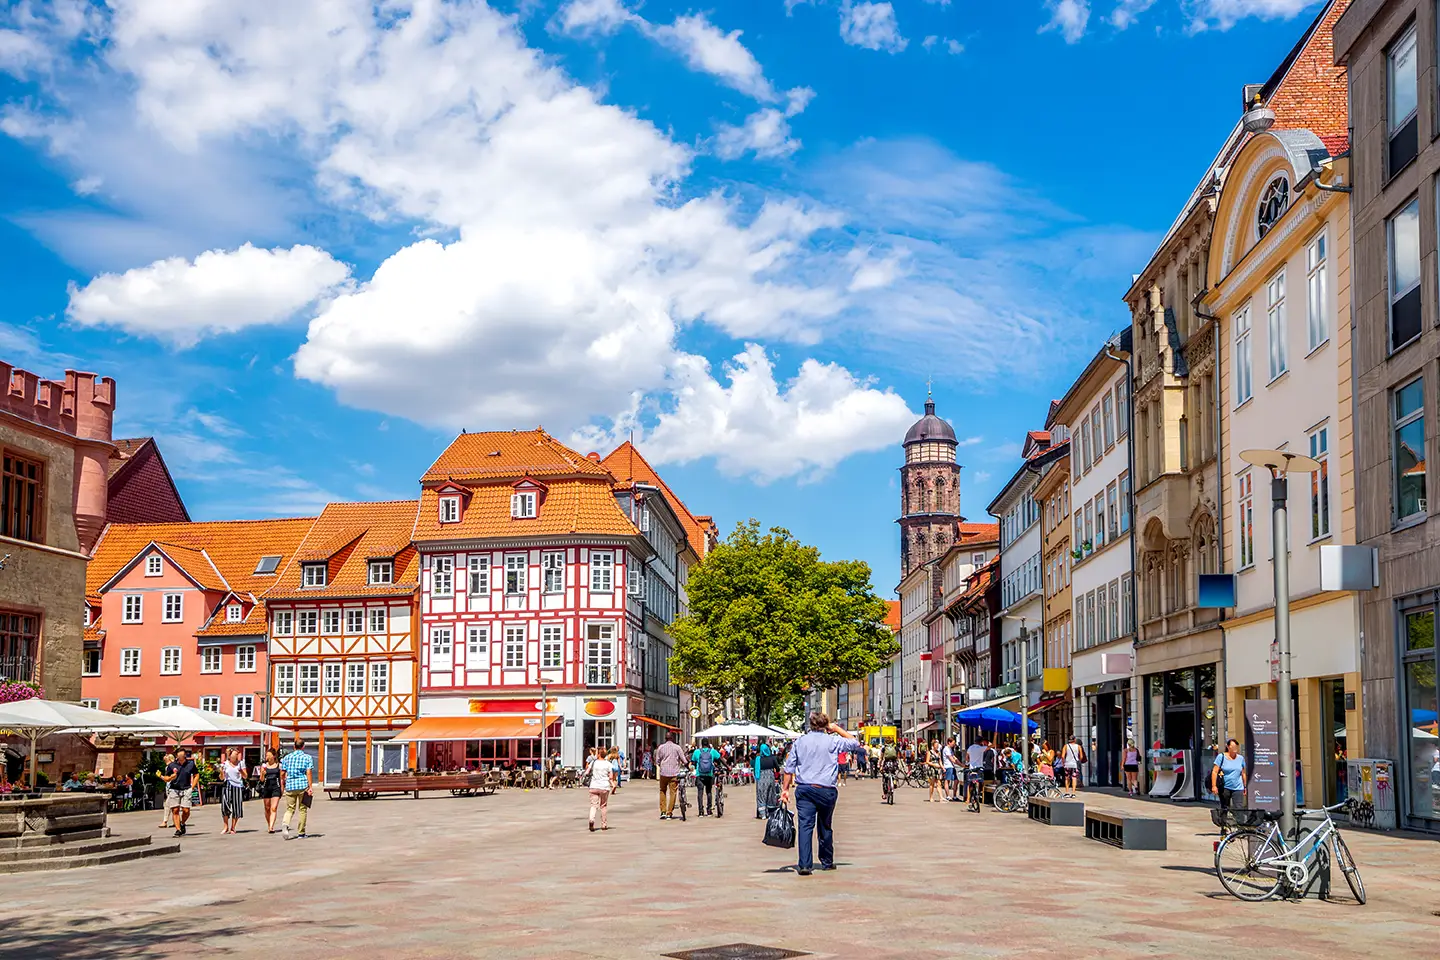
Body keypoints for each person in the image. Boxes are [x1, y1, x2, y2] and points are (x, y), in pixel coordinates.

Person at [780, 712, 863, 876]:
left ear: (810, 725)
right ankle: (826, 861)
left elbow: (789, 768)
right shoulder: (833, 740)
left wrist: (785, 790)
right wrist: (836, 728)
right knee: (825, 825)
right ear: (826, 725)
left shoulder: (800, 742)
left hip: (805, 789)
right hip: (826, 790)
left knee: (805, 826)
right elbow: (855, 743)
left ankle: (804, 864)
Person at [279, 738, 315, 840]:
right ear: (303, 746)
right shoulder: (307, 757)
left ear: (294, 746)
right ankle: (301, 833)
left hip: (290, 786)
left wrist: (284, 780)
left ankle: (285, 824)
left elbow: (282, 773)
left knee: (290, 809)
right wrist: (310, 786)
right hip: (302, 785)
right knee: (302, 809)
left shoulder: (287, 758)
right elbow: (308, 772)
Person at [165, 749, 199, 837]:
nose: (180, 758)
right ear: (176, 756)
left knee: (186, 810)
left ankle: (182, 823)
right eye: (179, 756)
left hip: (186, 788)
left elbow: (196, 774)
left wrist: (192, 786)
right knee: (175, 810)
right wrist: (171, 777)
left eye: (182, 756)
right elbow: (167, 777)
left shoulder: (190, 764)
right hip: (174, 789)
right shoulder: (172, 765)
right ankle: (178, 829)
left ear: (184, 756)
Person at [654, 733, 686, 820]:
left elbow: (657, 761)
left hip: (663, 773)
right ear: (672, 738)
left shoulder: (661, 747)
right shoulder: (677, 747)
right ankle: (669, 813)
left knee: (662, 791)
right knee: (673, 792)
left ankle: (663, 811)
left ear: (665, 738)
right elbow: (684, 760)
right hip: (674, 774)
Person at [1211, 738, 1247, 812]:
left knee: (1239, 808)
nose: (1235, 748)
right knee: (1225, 807)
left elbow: (1243, 773)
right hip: (1225, 787)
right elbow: (1214, 771)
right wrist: (1214, 786)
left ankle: (1238, 822)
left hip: (1238, 787)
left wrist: (1245, 786)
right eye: (1233, 746)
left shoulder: (1240, 758)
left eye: (1236, 746)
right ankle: (1224, 822)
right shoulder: (1221, 757)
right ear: (1228, 747)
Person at [587, 747, 617, 831]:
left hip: (594, 786)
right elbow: (611, 776)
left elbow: (587, 772)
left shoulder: (593, 762)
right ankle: (604, 824)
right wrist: (612, 784)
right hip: (604, 787)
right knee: (603, 806)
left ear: (598, 754)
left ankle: (591, 820)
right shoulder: (608, 764)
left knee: (593, 805)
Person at [219, 748, 246, 835]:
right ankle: (225, 826)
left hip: (237, 786)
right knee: (224, 806)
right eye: (234, 755)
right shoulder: (225, 764)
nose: (236, 757)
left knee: (237, 807)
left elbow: (245, 776)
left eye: (237, 755)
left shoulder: (241, 763)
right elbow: (222, 778)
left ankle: (233, 827)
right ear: (230, 756)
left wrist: (241, 771)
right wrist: (221, 772)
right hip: (227, 785)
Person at [692, 739, 721, 816]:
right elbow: (720, 759)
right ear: (708, 744)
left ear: (701, 744)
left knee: (700, 793)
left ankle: (701, 811)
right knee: (709, 792)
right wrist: (727, 766)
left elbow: (693, 762)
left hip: (699, 775)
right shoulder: (712, 751)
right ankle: (709, 810)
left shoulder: (697, 752)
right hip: (709, 774)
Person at [257, 748, 283, 833]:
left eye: (268, 755)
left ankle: (271, 826)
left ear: (273, 756)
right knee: (267, 808)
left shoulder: (279, 765)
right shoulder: (264, 766)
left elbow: (281, 778)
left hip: (276, 787)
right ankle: (269, 824)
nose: (267, 756)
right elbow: (261, 780)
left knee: (274, 808)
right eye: (266, 755)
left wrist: (282, 789)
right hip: (266, 787)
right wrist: (262, 774)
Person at [754, 737, 778, 820]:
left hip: (761, 778)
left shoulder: (758, 759)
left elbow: (756, 770)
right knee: (770, 794)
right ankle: (770, 812)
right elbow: (777, 768)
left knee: (761, 795)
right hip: (770, 777)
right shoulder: (772, 758)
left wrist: (756, 778)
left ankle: (762, 814)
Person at [1059, 735, 1085, 799]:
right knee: (1074, 778)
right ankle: (1073, 793)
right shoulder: (1078, 747)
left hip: (1067, 764)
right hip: (1074, 764)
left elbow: (1062, 756)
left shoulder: (1066, 746)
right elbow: (1081, 756)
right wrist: (1078, 760)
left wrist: (1063, 762)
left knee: (1067, 778)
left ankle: (1067, 792)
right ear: (1074, 740)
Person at [156, 751, 177, 827]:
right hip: (172, 788)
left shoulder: (169, 767)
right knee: (173, 806)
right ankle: (176, 821)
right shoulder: (174, 766)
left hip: (172, 788)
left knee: (167, 805)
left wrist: (160, 776)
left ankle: (165, 822)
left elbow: (167, 779)